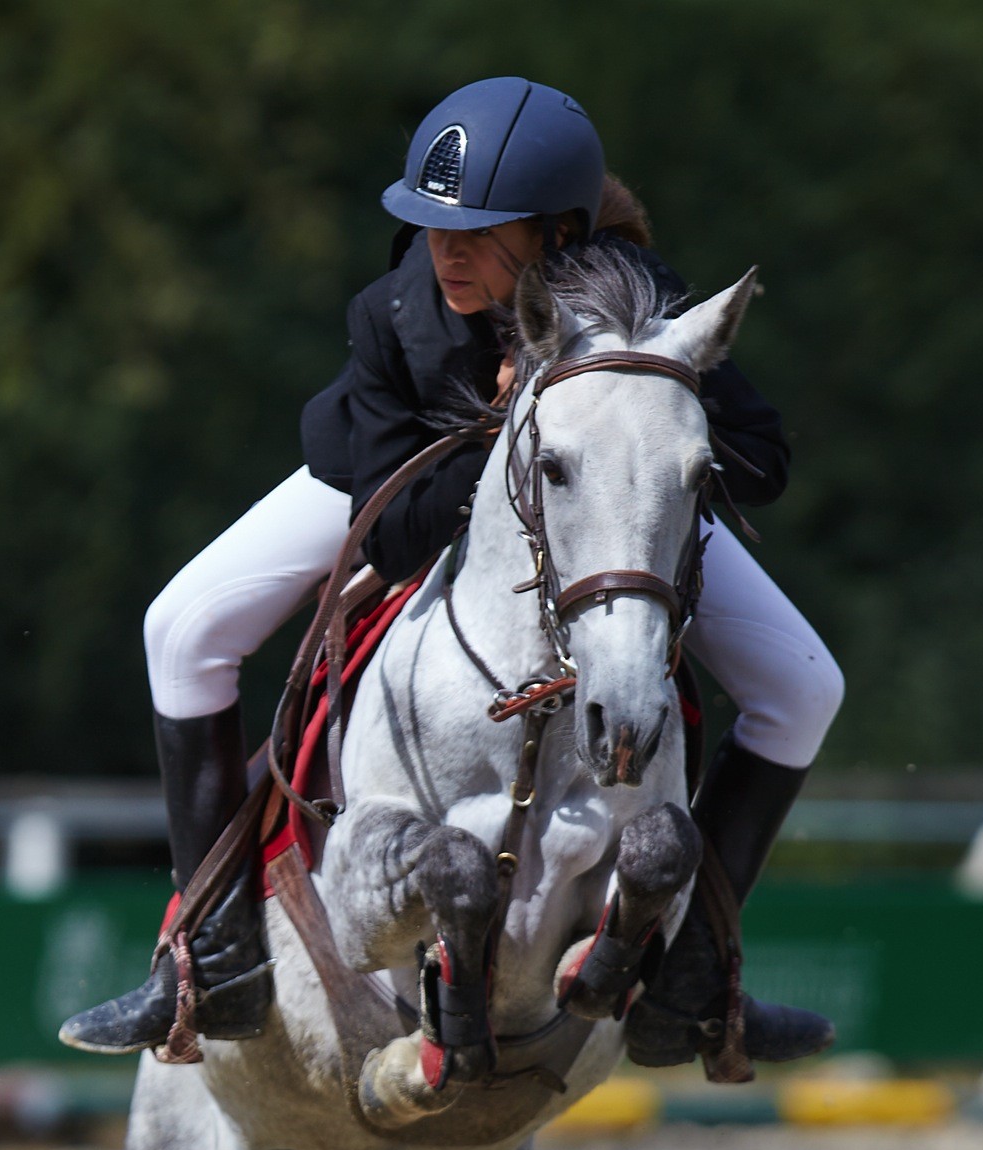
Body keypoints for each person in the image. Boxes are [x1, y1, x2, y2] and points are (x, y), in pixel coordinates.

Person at [61, 76, 843, 1068]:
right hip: (392, 482)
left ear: (561, 234)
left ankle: (696, 974)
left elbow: (764, 465)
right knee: (181, 627)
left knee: (806, 687)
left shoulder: (641, 299)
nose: (447, 253)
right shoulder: (397, 314)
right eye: (435, 227)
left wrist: (648, 415)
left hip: (605, 506)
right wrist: (513, 428)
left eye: (479, 232)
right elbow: (398, 537)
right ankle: (209, 958)